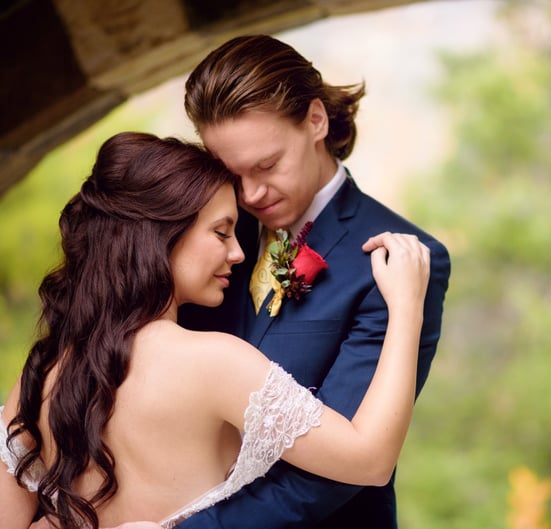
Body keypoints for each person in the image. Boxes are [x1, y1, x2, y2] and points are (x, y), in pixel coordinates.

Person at [0, 132, 431, 529]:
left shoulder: (41, 377)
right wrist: (408, 307)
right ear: (160, 235)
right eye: (221, 232)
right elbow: (369, 460)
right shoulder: (215, 361)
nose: (237, 253)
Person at [177, 34, 451, 529]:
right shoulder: (200, 233)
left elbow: (340, 471)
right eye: (231, 173)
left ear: (316, 120)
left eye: (267, 165)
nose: (251, 193)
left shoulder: (397, 260)